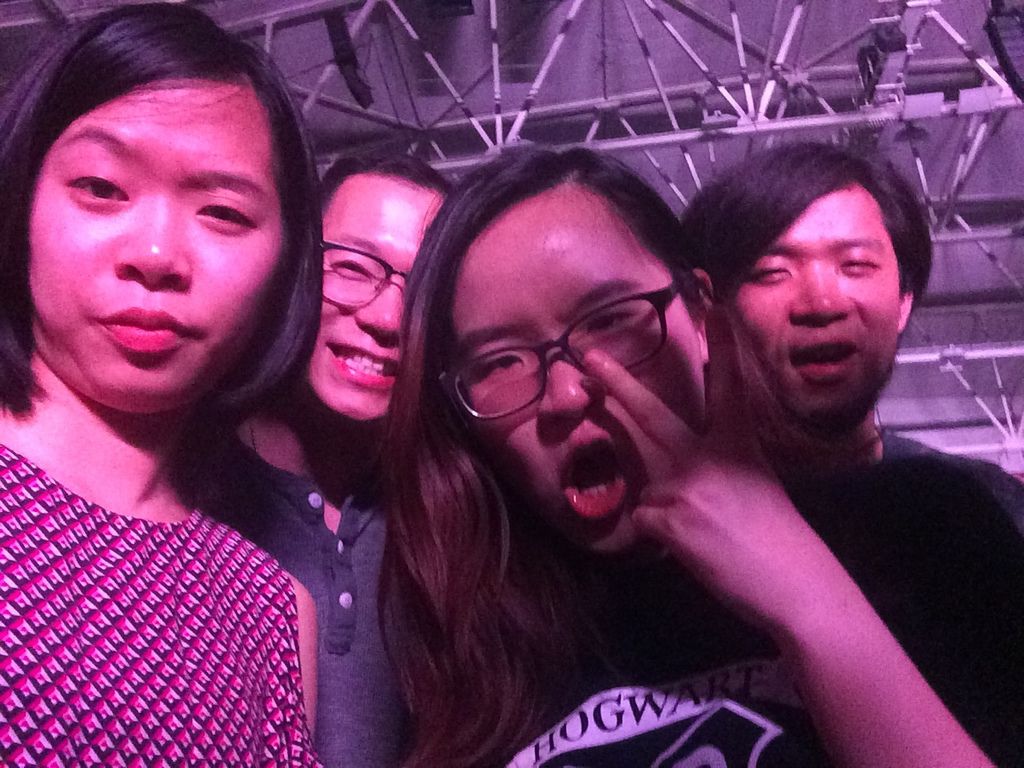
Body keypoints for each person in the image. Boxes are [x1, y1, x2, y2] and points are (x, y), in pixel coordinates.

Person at [381, 146, 1024, 767]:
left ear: (701, 315)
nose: (566, 394)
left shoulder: (929, 530)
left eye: (610, 319)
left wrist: (809, 598)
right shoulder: (467, 646)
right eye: (500, 362)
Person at [0, 4, 324, 765]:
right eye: (101, 187)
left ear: (286, 264)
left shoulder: (270, 608)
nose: (155, 255)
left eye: (223, 212)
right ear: (18, 200)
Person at [208, 154, 447, 768]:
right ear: (293, 269)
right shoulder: (181, 487)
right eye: (353, 267)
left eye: (425, 293)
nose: (387, 319)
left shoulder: (445, 519)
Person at [678, 141, 1024, 534]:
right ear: (707, 309)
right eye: (772, 272)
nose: (822, 304)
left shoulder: (987, 509)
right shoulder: (669, 532)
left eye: (856, 265)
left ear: (904, 301)